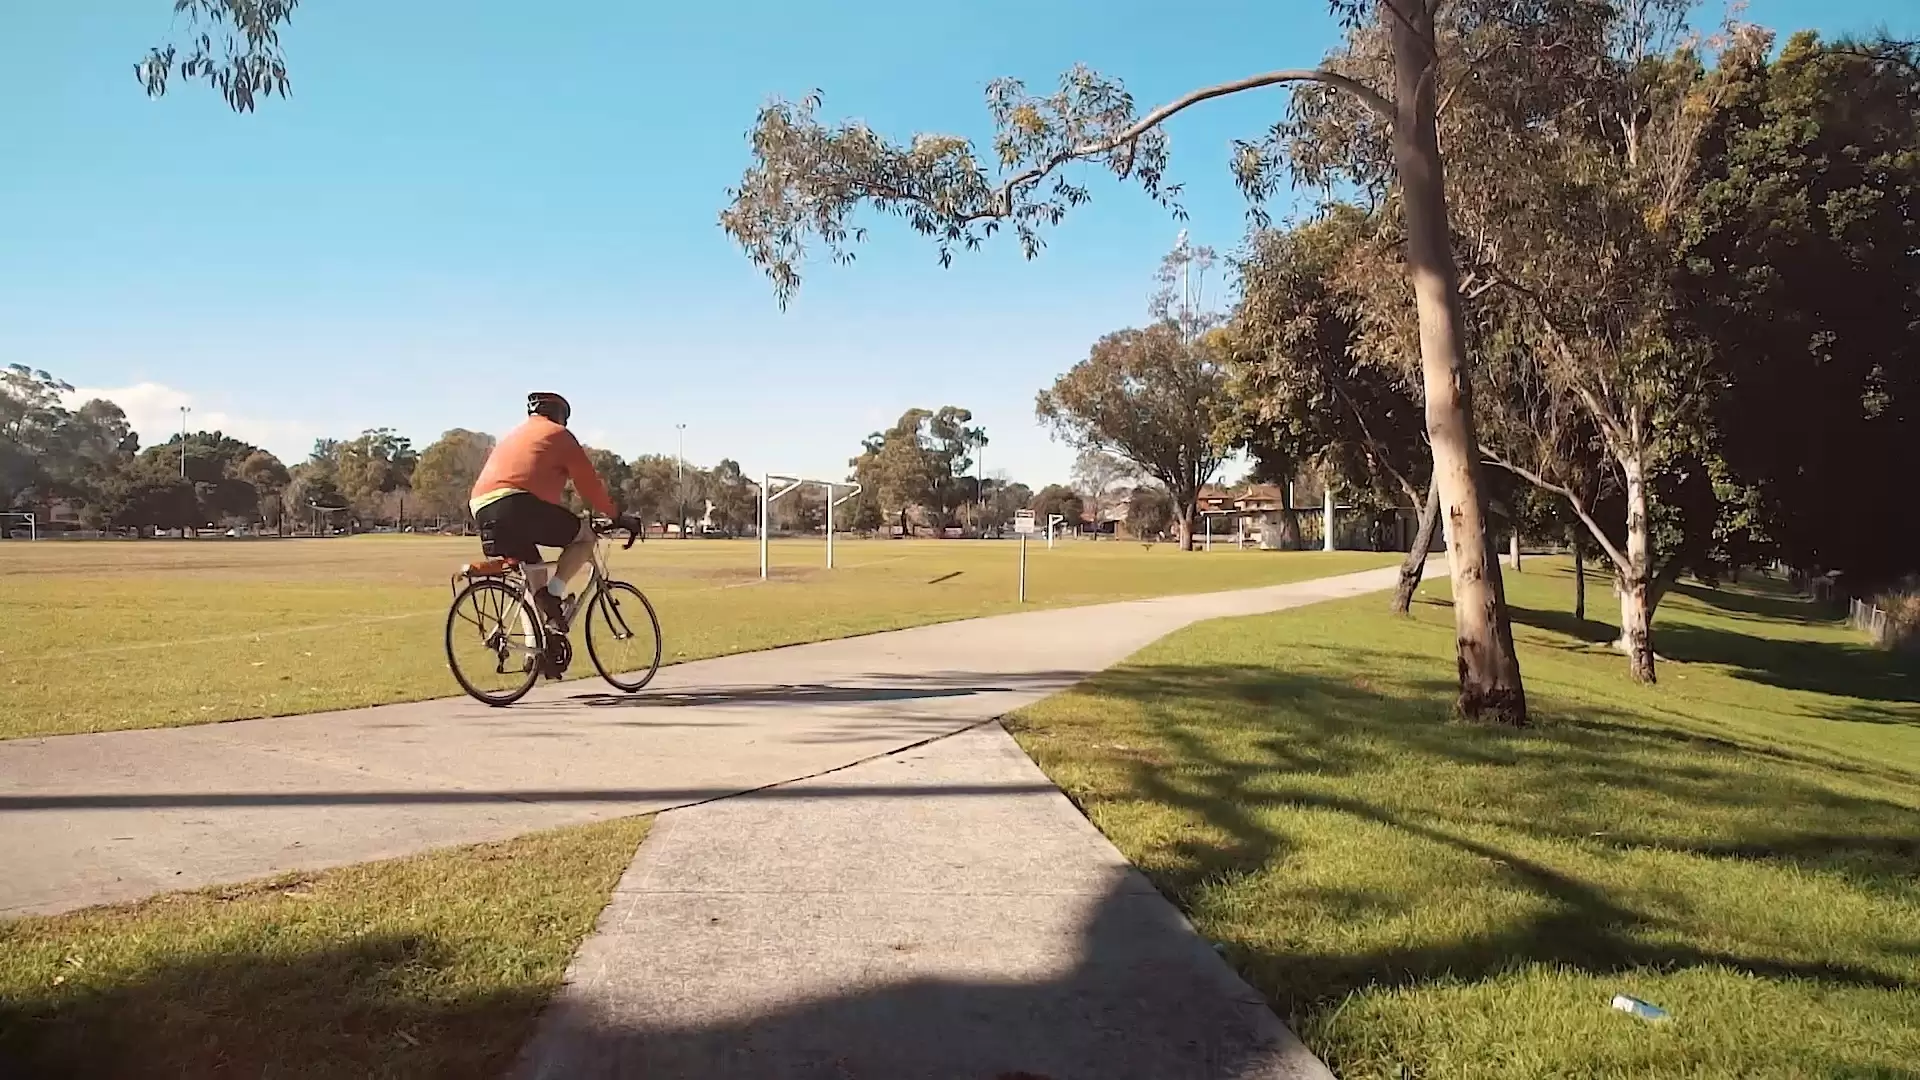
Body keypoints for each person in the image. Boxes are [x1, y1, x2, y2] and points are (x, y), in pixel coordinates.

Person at [469, 392, 629, 628]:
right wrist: (617, 516)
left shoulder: (513, 436)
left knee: (533, 574)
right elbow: (589, 485)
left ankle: (536, 652)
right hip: (515, 503)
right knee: (584, 537)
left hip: (480, 506)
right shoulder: (558, 434)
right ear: (560, 415)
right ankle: (554, 595)